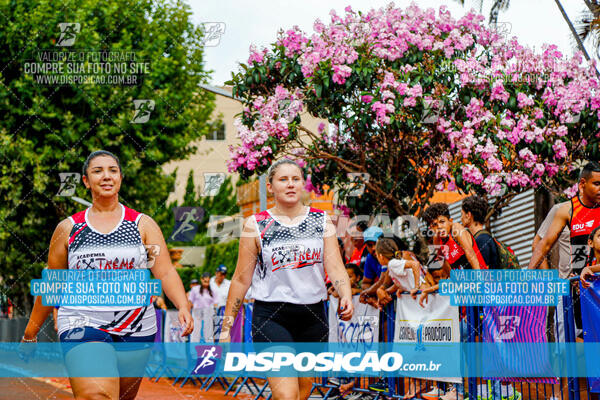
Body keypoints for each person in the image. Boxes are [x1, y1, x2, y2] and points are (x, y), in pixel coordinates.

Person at [22, 150, 193, 400]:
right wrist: (30, 332)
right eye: (97, 171)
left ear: (120, 178)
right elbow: (54, 285)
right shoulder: (69, 228)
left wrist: (182, 306)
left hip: (136, 325)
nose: (106, 176)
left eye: (113, 170)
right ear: (85, 181)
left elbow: (165, 271)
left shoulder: (142, 225)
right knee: (97, 395)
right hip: (81, 321)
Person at [220, 158, 353, 400]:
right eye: (283, 179)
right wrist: (227, 327)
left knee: (301, 395)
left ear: (303, 184)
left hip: (313, 317)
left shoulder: (321, 221)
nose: (290, 185)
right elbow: (241, 280)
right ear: (270, 186)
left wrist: (346, 294)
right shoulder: (256, 225)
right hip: (271, 316)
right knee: (286, 396)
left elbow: (335, 267)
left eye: (295, 179)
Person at [529, 162, 600, 334]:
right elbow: (543, 245)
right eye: (597, 184)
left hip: (596, 283)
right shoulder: (566, 210)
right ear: (582, 184)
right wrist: (529, 277)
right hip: (575, 288)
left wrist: (589, 268)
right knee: (571, 344)